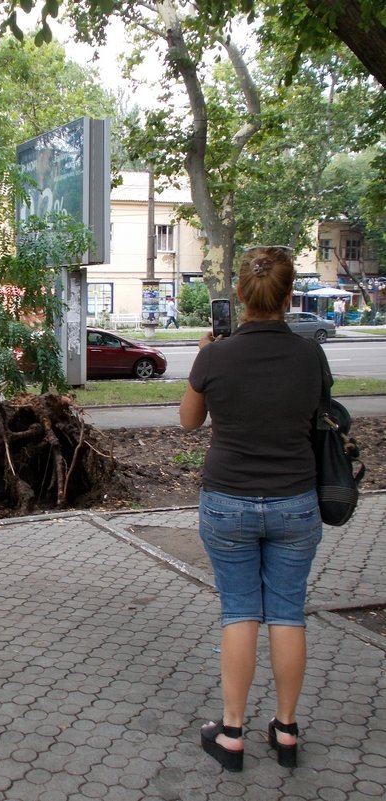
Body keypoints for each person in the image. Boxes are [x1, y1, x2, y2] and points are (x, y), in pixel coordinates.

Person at [179, 246, 326, 773]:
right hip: (295, 502)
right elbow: (317, 417)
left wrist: (205, 354)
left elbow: (189, 422)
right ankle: (286, 731)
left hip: (228, 504)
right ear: (290, 297)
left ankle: (233, 733)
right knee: (287, 613)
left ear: (239, 297)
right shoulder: (312, 355)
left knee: (239, 611)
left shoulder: (215, 355)